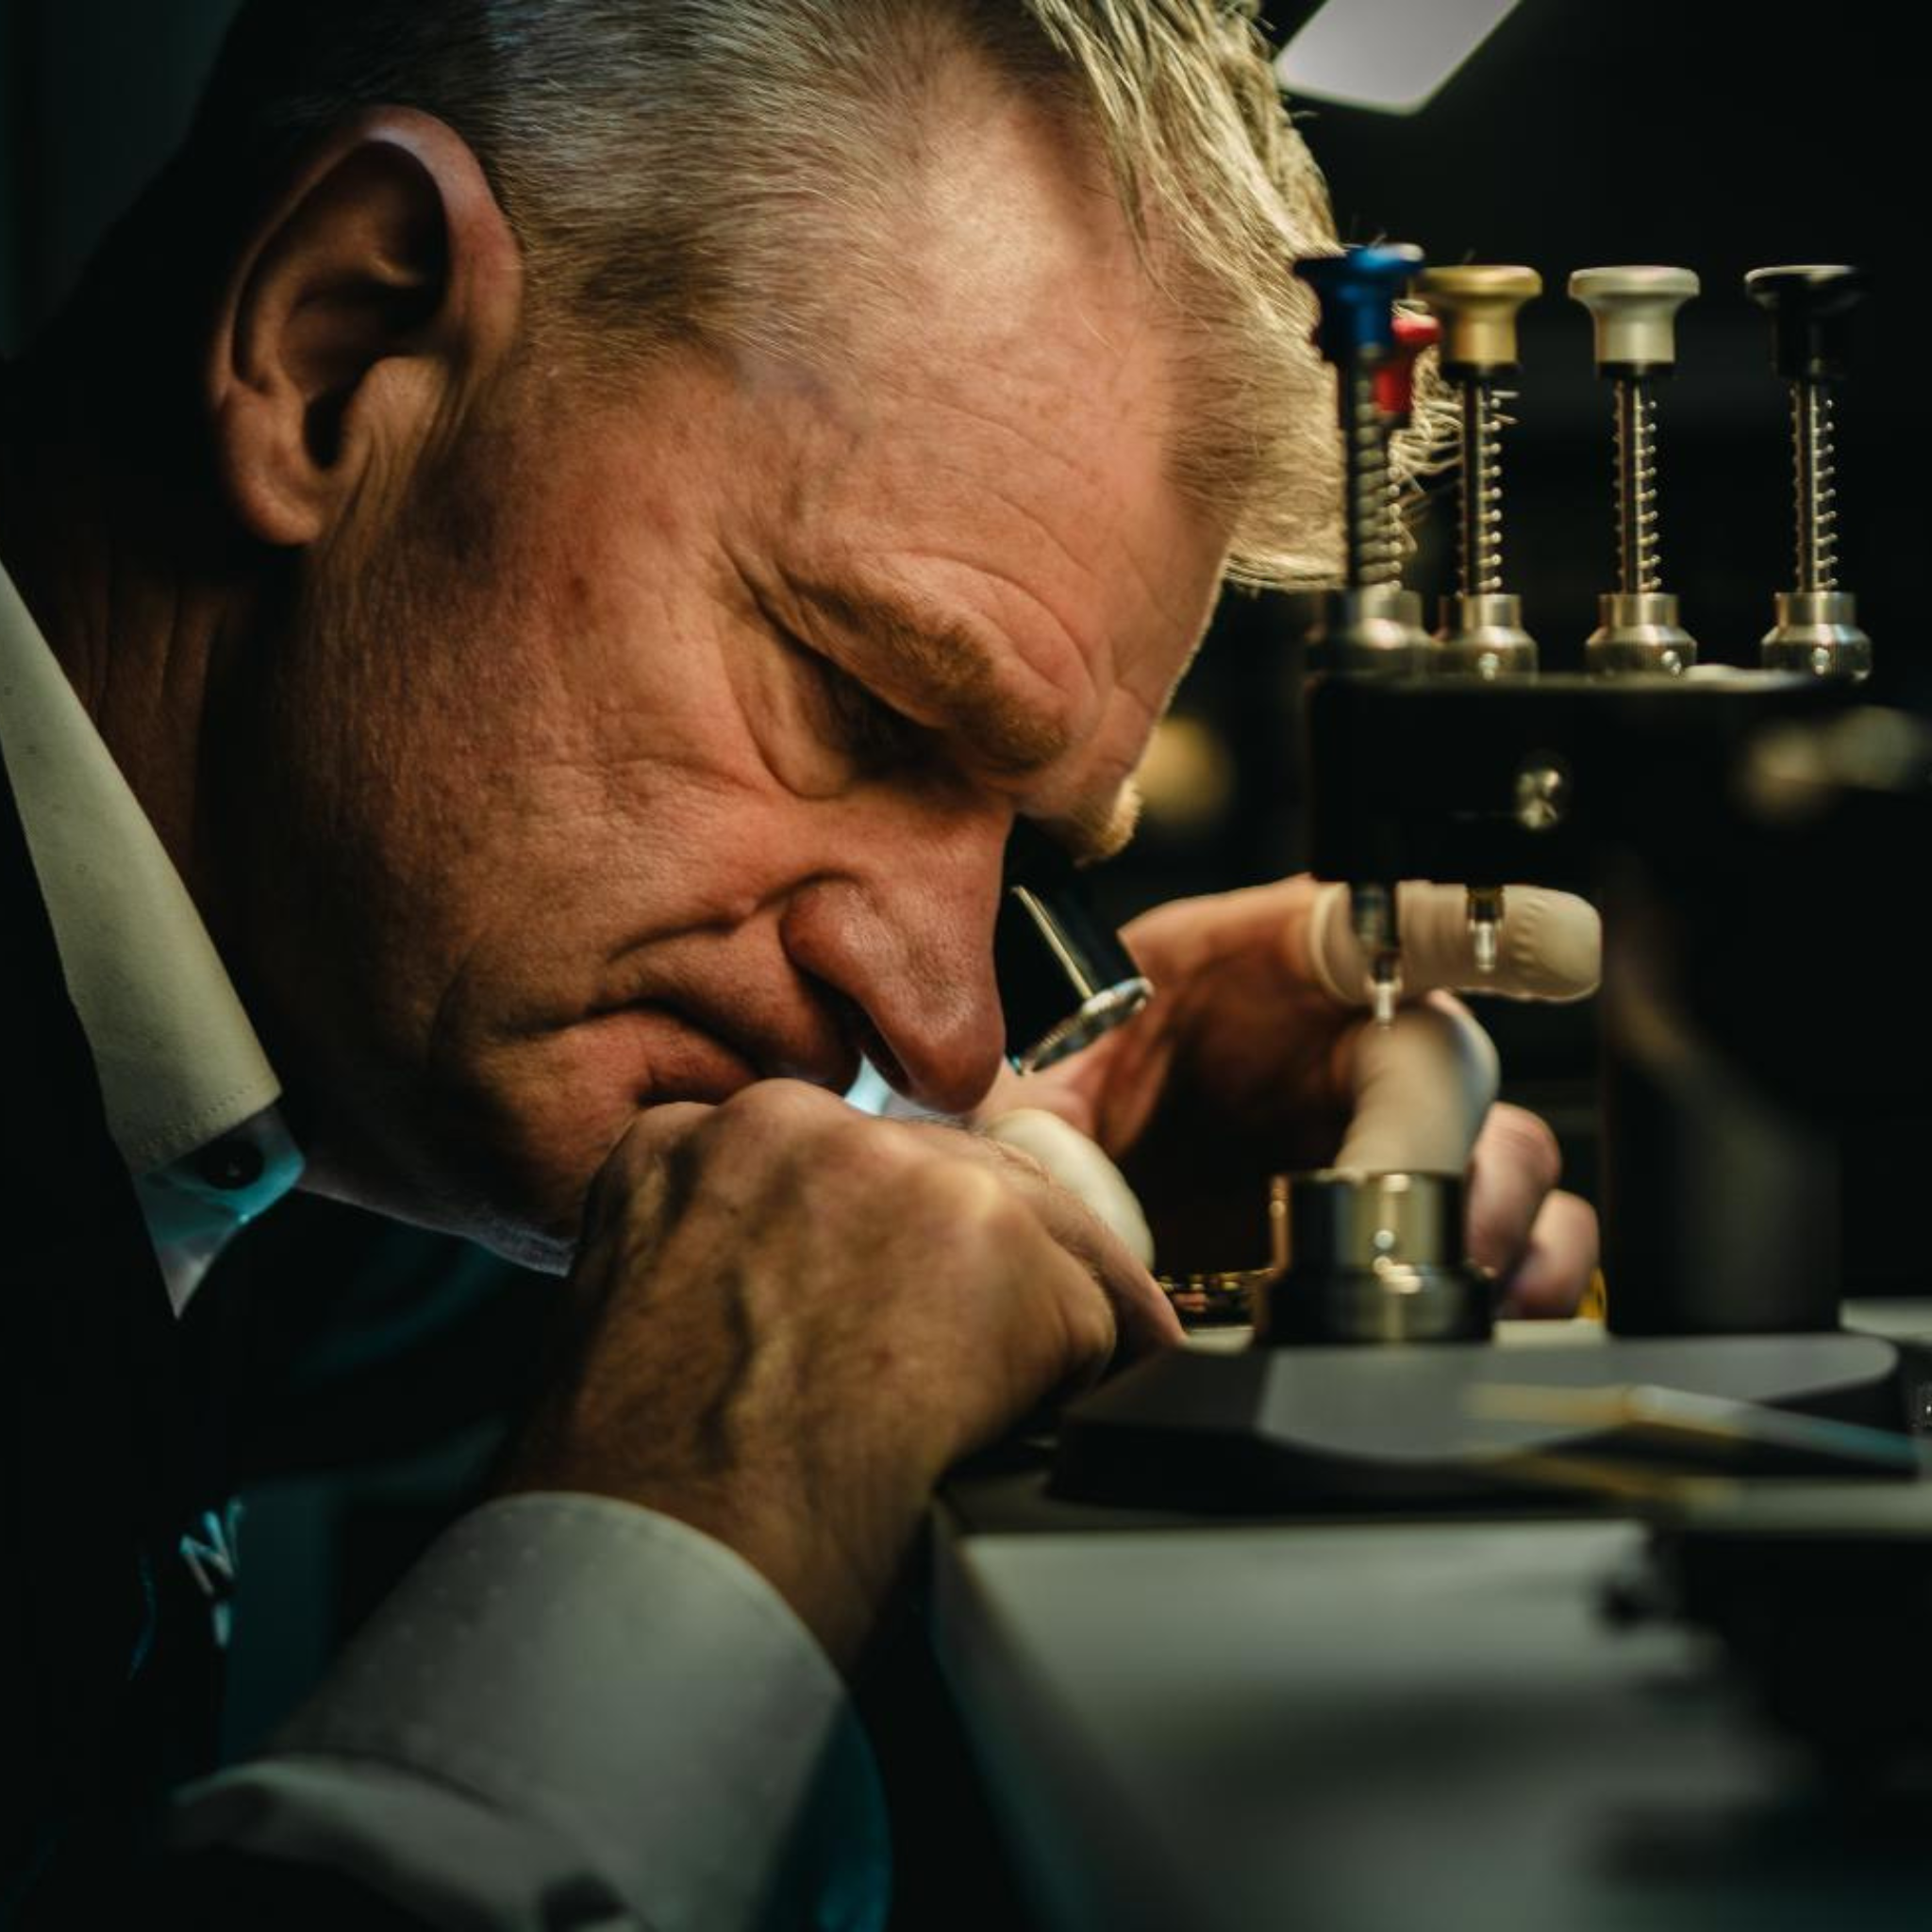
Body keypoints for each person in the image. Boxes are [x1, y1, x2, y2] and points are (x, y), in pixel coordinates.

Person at [0, 0, 1597, 1924]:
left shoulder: (209, 1077)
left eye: (1015, 847)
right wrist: (708, 1502)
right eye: (859, 704)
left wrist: (998, 1191)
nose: (938, 1032)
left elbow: (318, 1306)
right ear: (341, 345)